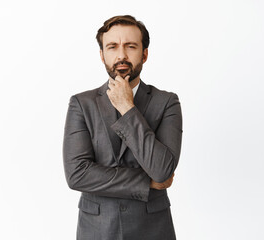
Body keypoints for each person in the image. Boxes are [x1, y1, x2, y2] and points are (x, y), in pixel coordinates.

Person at [63, 15, 183, 240]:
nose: (121, 55)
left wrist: (128, 108)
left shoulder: (167, 102)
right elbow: (77, 175)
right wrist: (146, 182)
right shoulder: (81, 103)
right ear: (102, 55)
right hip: (96, 229)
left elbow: (162, 170)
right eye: (112, 47)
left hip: (153, 229)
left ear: (144, 54)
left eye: (131, 46)